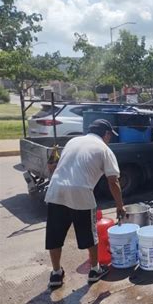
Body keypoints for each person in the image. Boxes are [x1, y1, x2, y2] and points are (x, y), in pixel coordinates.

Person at [44, 119, 126, 288]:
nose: (109, 138)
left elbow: (56, 166)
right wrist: (120, 205)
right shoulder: (104, 149)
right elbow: (113, 181)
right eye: (110, 135)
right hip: (80, 192)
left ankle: (56, 274)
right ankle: (95, 270)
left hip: (55, 190)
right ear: (106, 134)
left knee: (55, 235)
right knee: (89, 235)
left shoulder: (72, 141)